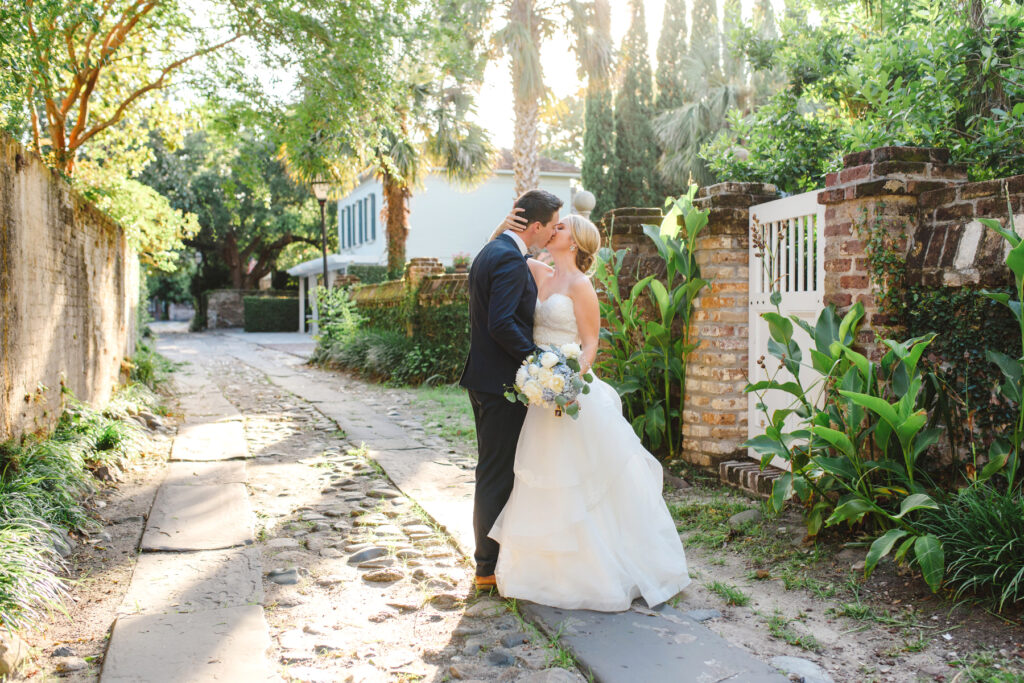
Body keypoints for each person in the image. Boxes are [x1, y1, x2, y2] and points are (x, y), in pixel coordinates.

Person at [488, 213, 691, 611]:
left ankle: (599, 571)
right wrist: (503, 224)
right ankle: (547, 572)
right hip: (541, 394)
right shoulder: (537, 271)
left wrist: (564, 384)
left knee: (582, 483)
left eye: (559, 227)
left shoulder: (581, 287)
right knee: (544, 479)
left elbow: (591, 345)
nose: (551, 230)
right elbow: (497, 250)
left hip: (570, 393)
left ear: (575, 242)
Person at [459, 189, 562, 591]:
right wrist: (540, 361)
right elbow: (502, 323)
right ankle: (487, 569)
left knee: (494, 470)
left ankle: (494, 562)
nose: (553, 233)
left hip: (484, 379)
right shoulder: (506, 258)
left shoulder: (492, 250)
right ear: (535, 226)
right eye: (552, 226)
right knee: (496, 474)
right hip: (501, 384)